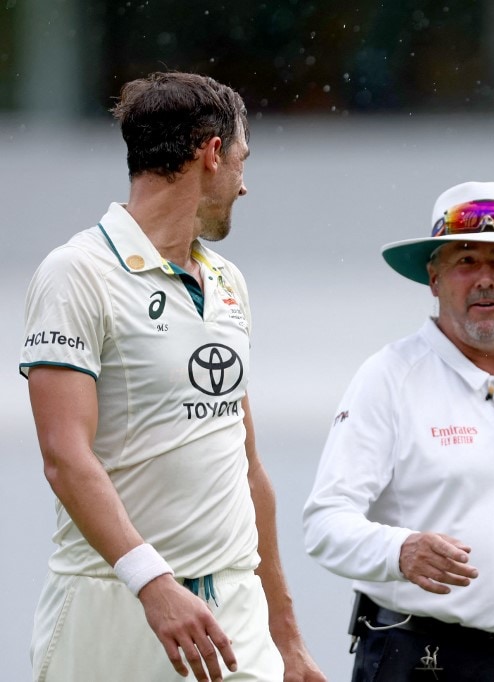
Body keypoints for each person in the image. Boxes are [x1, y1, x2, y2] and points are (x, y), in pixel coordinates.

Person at [20, 72, 325, 682]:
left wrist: (285, 635)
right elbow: (64, 456)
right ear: (212, 154)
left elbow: (246, 463)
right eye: (242, 159)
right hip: (115, 606)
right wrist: (154, 586)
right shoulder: (76, 272)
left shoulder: (228, 282)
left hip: (236, 614)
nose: (245, 184)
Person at [302, 181, 494, 681]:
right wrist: (399, 551)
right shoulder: (389, 377)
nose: (485, 279)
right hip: (421, 662)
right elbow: (323, 524)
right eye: (465, 260)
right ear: (434, 278)